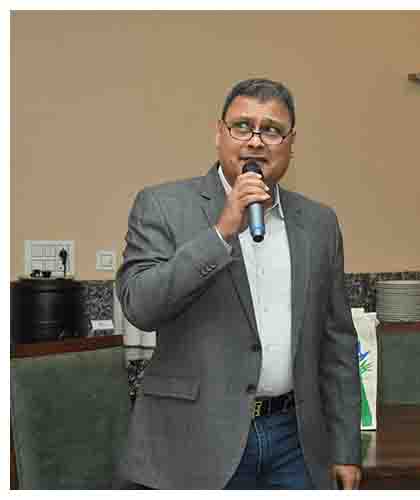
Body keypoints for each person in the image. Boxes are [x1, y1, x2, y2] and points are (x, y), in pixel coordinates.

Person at [115, 78, 362, 489]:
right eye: (242, 126)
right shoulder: (162, 205)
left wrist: (345, 448)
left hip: (295, 441)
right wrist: (222, 232)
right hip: (195, 439)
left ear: (290, 143)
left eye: (272, 130)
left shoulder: (319, 223)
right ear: (219, 133)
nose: (256, 141)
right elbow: (140, 305)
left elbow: (337, 342)